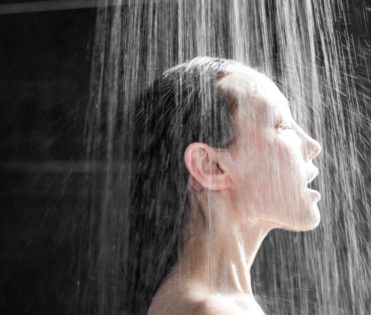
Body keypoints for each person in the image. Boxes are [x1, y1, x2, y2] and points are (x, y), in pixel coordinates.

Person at [128, 57, 322, 314]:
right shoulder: (217, 310)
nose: (312, 146)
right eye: (282, 126)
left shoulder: (187, 300)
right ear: (211, 166)